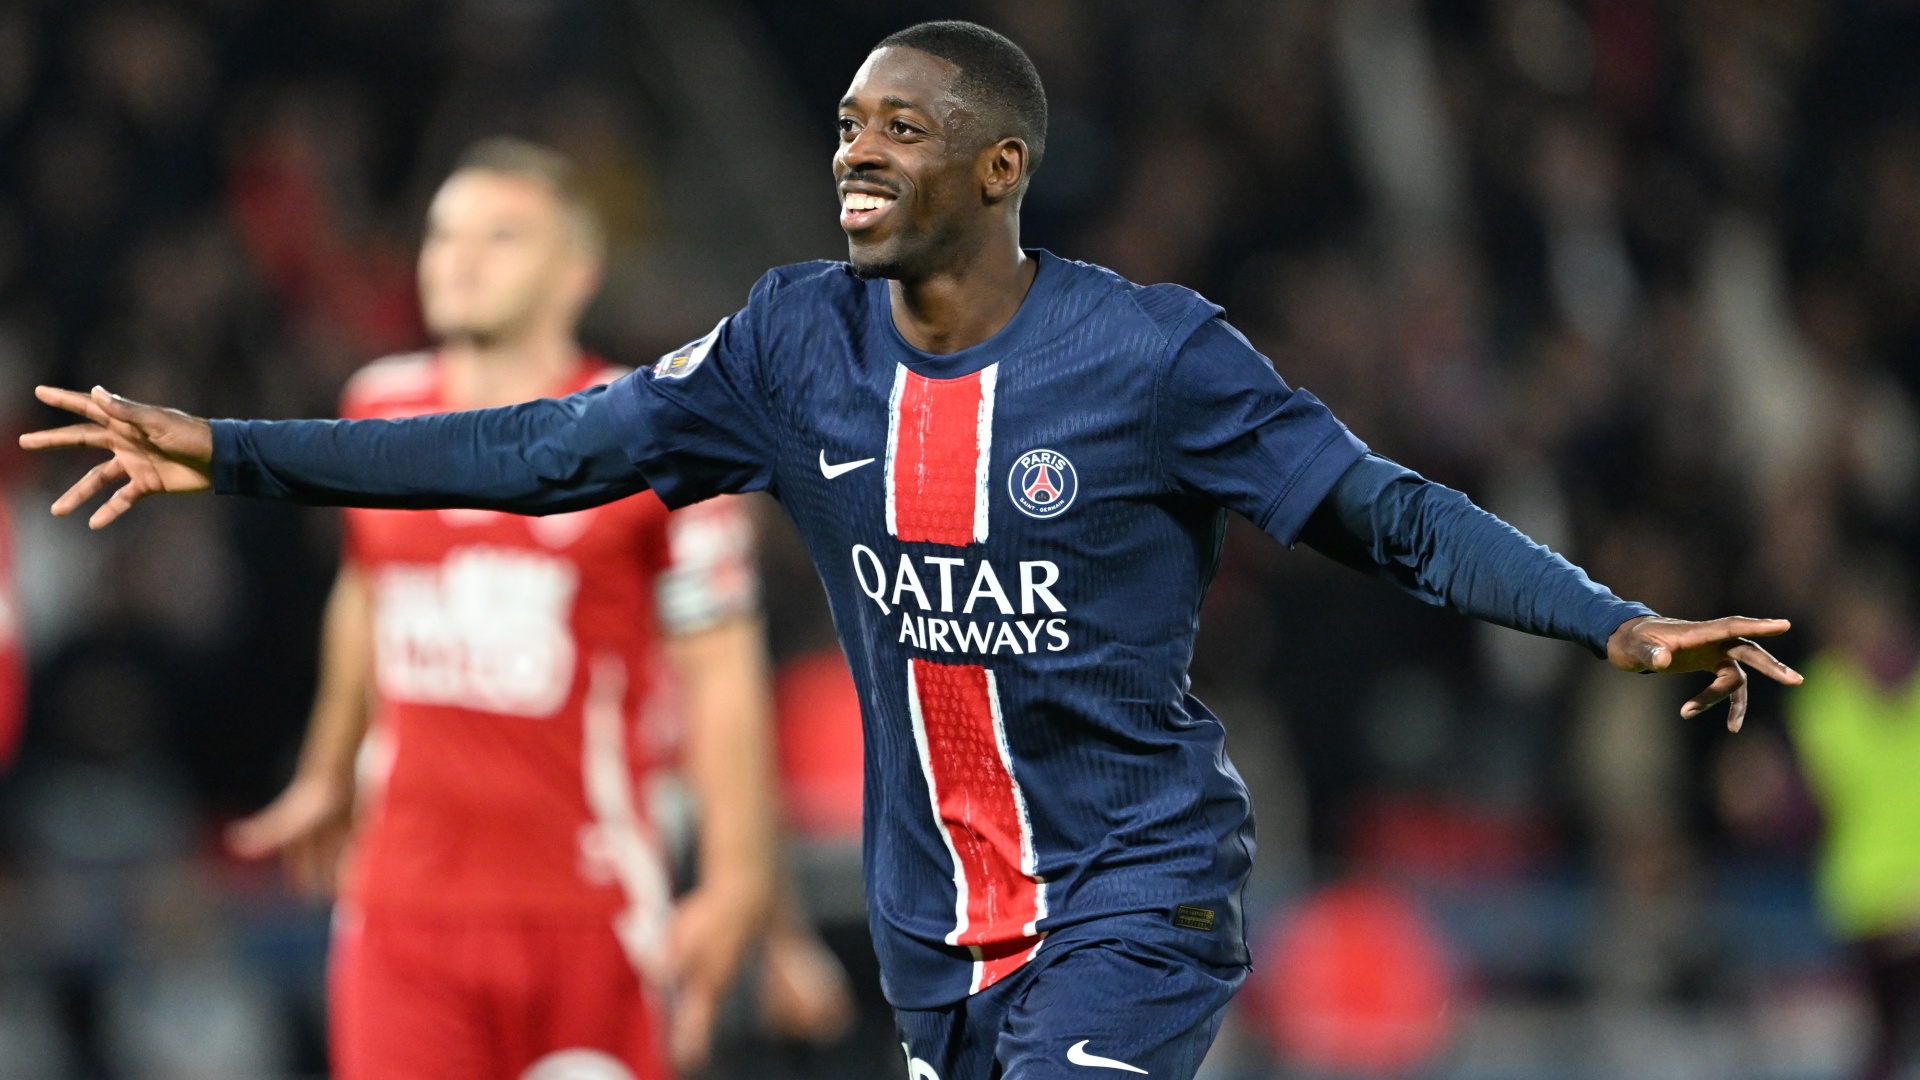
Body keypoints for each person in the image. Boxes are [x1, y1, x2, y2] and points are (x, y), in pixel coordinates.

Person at [22, 21, 1802, 1080]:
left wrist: (1613, 623)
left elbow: (1384, 515)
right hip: (932, 929)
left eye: (901, 128)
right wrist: (234, 456)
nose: (851, 150)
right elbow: (558, 449)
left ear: (1004, 164)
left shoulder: (1153, 359)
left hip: (1136, 891)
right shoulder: (797, 344)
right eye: (848, 123)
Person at [216, 138, 790, 1080]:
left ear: (575, 272)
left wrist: (737, 878)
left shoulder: (655, 439)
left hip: (589, 908)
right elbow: (368, 589)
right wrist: (326, 768)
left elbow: (722, 668)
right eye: (442, 235)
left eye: (502, 236)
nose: (459, 259)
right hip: (403, 908)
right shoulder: (378, 406)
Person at [1787, 560, 1920, 1080]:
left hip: (1876, 902)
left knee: (1883, 1048)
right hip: (1862, 904)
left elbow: (1800, 809)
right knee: (1880, 1046)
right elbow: (1806, 806)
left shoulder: (1825, 694)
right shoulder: (1824, 694)